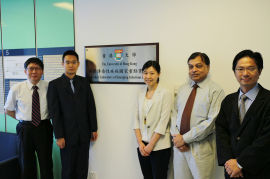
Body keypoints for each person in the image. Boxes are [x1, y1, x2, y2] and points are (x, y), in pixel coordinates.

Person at [216, 50, 270, 178]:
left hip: (260, 170)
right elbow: (221, 132)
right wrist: (230, 164)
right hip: (232, 171)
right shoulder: (228, 100)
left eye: (251, 68)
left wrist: (241, 163)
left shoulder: (268, 100)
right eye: (240, 69)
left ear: (260, 71)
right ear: (234, 72)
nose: (245, 73)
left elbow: (267, 139)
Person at [171, 52, 225, 179]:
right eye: (190, 67)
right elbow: (174, 114)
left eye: (198, 66)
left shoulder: (216, 91)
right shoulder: (182, 89)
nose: (194, 70)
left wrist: (184, 139)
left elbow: (211, 122)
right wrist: (177, 137)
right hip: (179, 148)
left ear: (208, 67)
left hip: (201, 148)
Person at [47, 50, 98, 179]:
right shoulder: (54, 85)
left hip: (84, 134)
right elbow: (55, 113)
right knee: (68, 170)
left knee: (82, 170)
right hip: (66, 136)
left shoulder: (84, 82)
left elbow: (90, 106)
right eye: (68, 62)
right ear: (62, 63)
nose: (71, 65)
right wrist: (59, 136)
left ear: (78, 64)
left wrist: (94, 128)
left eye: (74, 62)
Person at [4, 57, 54, 179]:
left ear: (42, 71)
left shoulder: (50, 87)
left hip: (44, 127)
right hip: (25, 129)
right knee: (26, 163)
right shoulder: (17, 88)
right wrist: (23, 118)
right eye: (31, 68)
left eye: (37, 68)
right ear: (25, 71)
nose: (34, 71)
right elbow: (8, 110)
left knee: (46, 163)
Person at [133, 61, 172, 179]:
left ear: (159, 74)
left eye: (152, 73)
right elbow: (136, 118)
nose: (148, 76)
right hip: (142, 146)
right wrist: (140, 143)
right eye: (145, 73)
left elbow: (163, 122)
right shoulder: (140, 93)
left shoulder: (165, 93)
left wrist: (151, 144)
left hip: (159, 146)